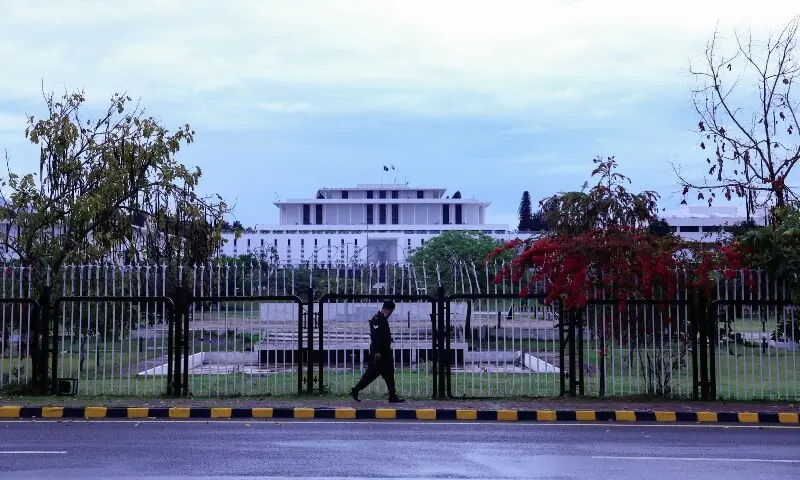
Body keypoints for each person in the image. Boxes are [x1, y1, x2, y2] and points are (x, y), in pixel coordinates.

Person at [350, 300, 405, 403]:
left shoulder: (383, 318)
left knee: (389, 373)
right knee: (372, 373)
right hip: (379, 352)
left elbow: (383, 335)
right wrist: (377, 352)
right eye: (390, 311)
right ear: (386, 309)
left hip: (385, 351)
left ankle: (392, 396)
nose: (390, 314)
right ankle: (356, 389)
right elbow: (375, 337)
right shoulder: (377, 319)